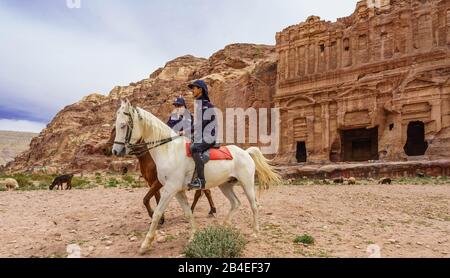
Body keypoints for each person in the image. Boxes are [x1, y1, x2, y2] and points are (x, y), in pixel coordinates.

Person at [187, 80, 217, 191]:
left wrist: (186, 131)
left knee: (194, 147)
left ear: (200, 90)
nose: (192, 91)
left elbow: (201, 124)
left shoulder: (207, 106)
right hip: (201, 136)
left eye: (194, 88)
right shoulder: (198, 105)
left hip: (209, 136)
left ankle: (201, 181)